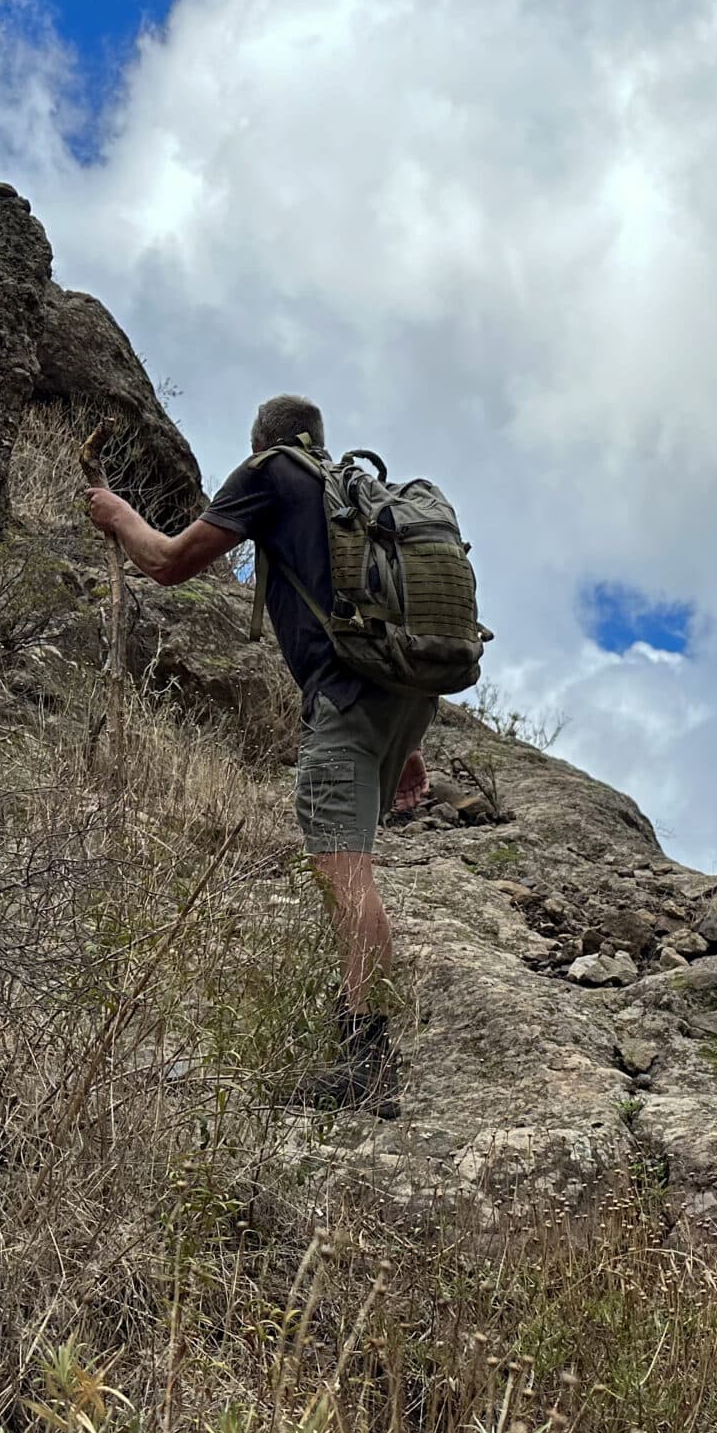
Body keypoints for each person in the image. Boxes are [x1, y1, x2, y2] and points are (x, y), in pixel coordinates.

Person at [86, 394, 431, 1110]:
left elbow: (171, 563)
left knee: (345, 873)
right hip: (400, 698)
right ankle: (363, 1050)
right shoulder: (353, 495)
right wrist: (408, 744)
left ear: (261, 439)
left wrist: (117, 515)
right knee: (350, 869)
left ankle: (366, 1064)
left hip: (342, 696)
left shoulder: (271, 471)